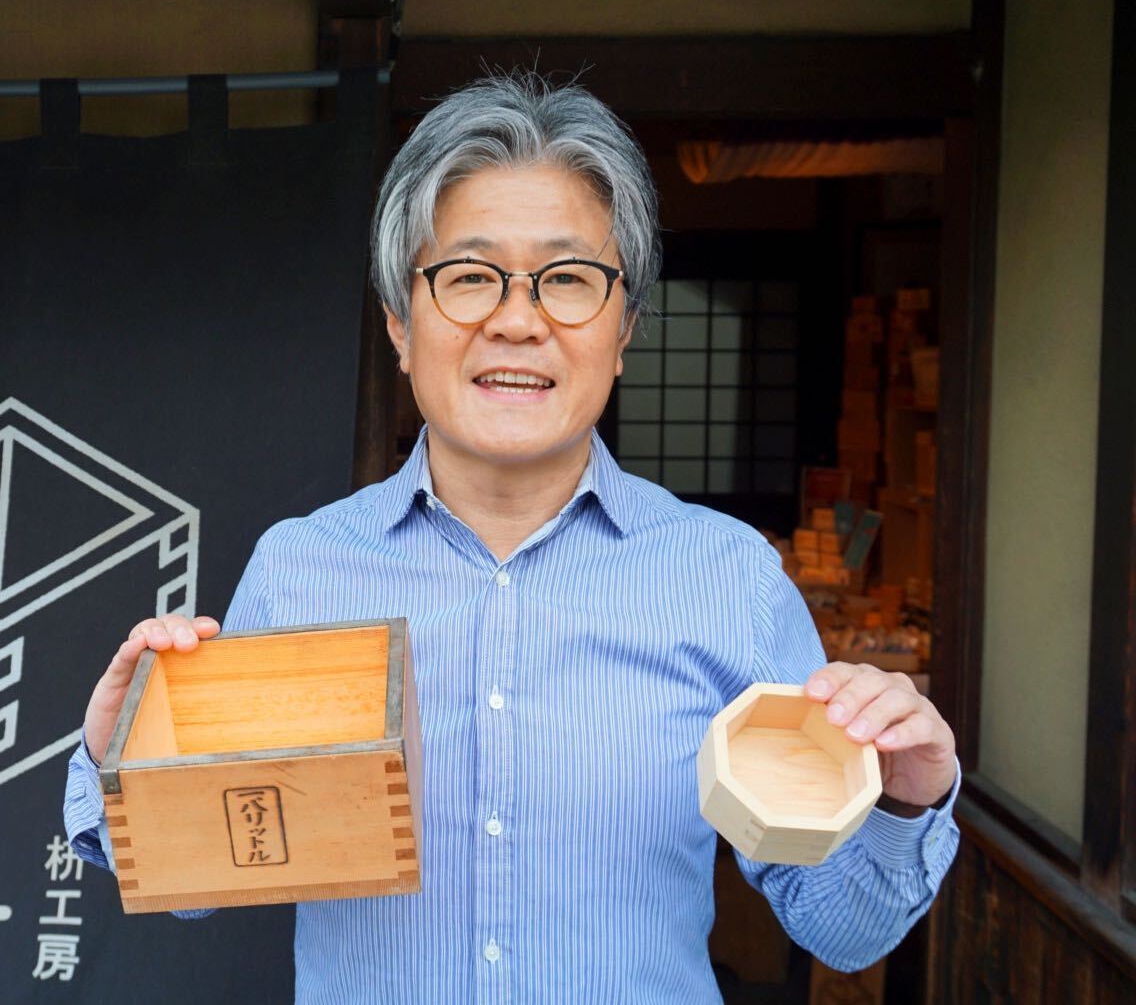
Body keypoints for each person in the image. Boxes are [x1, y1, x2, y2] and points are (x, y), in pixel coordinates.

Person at [63, 71, 959, 1002]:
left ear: (625, 330)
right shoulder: (302, 570)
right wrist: (116, 755)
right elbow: (198, 878)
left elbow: (842, 929)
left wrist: (907, 797)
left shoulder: (727, 578)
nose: (518, 321)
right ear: (400, 324)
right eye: (469, 276)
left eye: (567, 279)